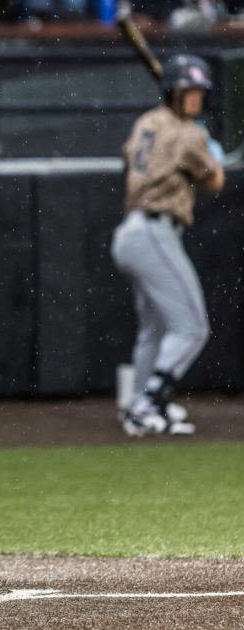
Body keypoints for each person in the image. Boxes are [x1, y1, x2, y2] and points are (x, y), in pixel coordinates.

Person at [113, 54, 223, 438]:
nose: (195, 98)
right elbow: (215, 182)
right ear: (172, 91)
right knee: (192, 327)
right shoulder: (189, 134)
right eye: (189, 91)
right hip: (153, 232)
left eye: (199, 92)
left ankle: (135, 408)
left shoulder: (147, 121)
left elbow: (131, 160)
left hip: (131, 232)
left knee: (155, 329)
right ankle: (149, 403)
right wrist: (211, 152)